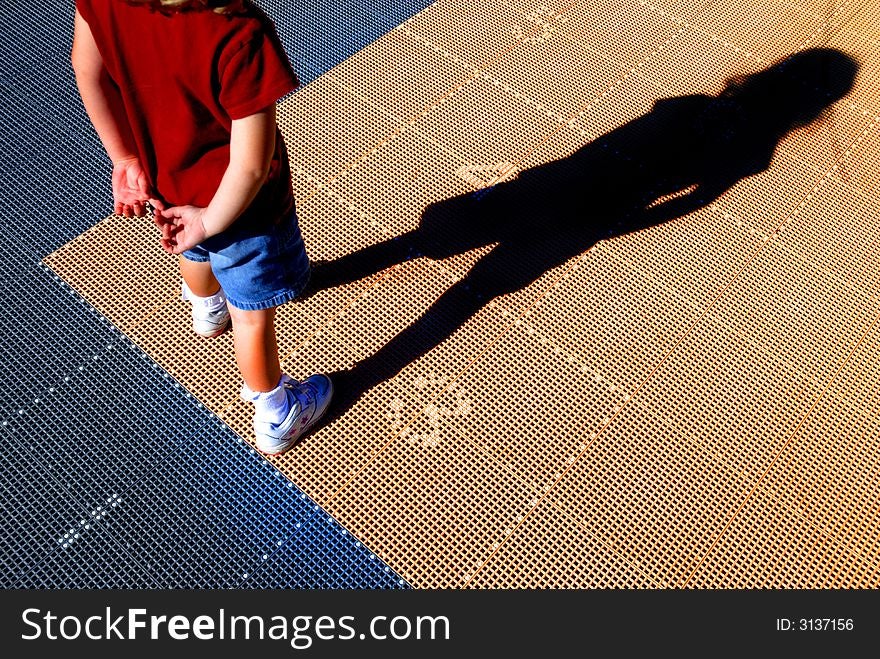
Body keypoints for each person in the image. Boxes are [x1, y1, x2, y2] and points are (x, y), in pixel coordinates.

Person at [71, 0, 332, 454]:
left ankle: (208, 310)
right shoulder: (238, 33)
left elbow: (86, 69)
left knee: (192, 248)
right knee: (252, 317)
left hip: (166, 179)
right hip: (241, 208)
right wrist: (210, 219)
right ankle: (276, 412)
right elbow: (249, 168)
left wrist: (125, 158)